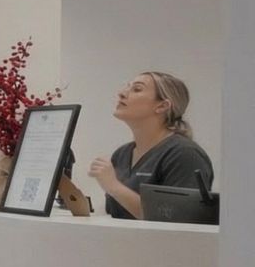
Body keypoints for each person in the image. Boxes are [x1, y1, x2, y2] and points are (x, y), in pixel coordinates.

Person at [88, 71, 215, 220]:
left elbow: (175, 220)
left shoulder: (184, 154)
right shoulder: (122, 154)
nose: (121, 93)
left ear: (162, 106)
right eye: (127, 87)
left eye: (137, 89)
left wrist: (114, 187)